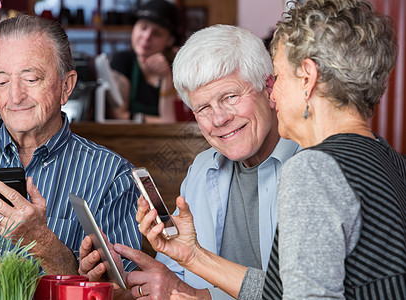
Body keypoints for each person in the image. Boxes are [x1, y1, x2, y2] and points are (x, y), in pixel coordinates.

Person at [140, 0, 406, 299]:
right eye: (203, 107)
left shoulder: (313, 168)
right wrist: (193, 257)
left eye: (278, 76)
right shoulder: (392, 161)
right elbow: (283, 291)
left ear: (307, 78)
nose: (274, 92)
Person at [79, 24, 300, 299]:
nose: (219, 119)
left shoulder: (311, 166)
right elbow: (181, 278)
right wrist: (129, 289)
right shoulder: (202, 168)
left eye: (230, 97)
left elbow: (300, 293)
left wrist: (194, 287)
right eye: (203, 108)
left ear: (269, 88)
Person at [0, 14, 141, 275]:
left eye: (31, 79)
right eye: (1, 82)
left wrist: (43, 242)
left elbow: (122, 292)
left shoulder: (113, 177)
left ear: (67, 86)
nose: (16, 96)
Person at [109, 0, 181, 123]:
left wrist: (166, 77)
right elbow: (119, 116)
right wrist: (161, 122)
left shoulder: (180, 69)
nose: (146, 37)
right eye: (143, 27)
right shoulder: (123, 60)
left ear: (170, 40)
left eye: (157, 34)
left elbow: (175, 121)